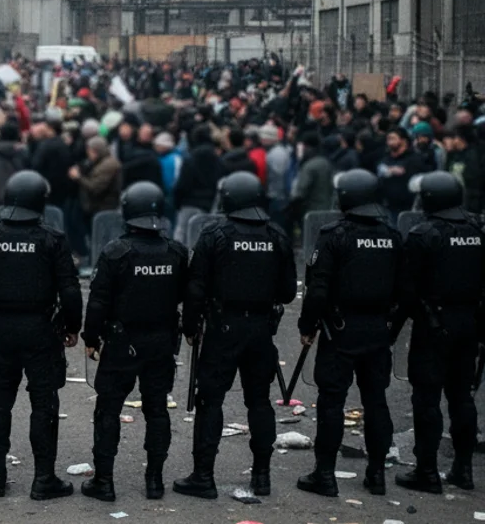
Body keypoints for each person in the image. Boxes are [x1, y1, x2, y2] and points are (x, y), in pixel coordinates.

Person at [173, 172, 296, 499]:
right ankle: (262, 476)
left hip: (222, 328)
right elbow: (286, 292)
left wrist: (190, 325)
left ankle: (203, 477)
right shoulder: (277, 235)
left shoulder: (215, 234)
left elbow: (196, 287)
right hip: (260, 330)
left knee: (210, 400)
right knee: (259, 401)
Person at [0, 170, 82, 500]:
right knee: (43, 403)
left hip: (2, 329)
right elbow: (71, 291)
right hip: (41, 329)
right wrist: (71, 327)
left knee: (0, 401)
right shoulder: (51, 238)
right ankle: (43, 479)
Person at [297, 169, 404, 498]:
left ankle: (325, 475)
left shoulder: (334, 234)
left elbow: (318, 288)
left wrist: (308, 326)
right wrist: (391, 330)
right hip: (377, 331)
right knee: (376, 402)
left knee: (332, 403)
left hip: (340, 331)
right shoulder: (392, 235)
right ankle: (376, 474)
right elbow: (405, 290)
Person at [81, 182, 187, 502]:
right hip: (161, 342)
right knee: (157, 410)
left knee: (108, 410)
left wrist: (91, 337)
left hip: (121, 343)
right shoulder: (177, 252)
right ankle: (154, 481)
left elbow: (99, 300)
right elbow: (188, 295)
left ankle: (104, 481)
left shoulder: (116, 251)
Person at [394, 172, 482, 493]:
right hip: (469, 323)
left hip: (434, 326)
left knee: (427, 399)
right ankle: (463, 469)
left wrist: (392, 329)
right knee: (462, 396)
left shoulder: (424, 234)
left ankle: (427, 471)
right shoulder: (478, 228)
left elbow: (407, 289)